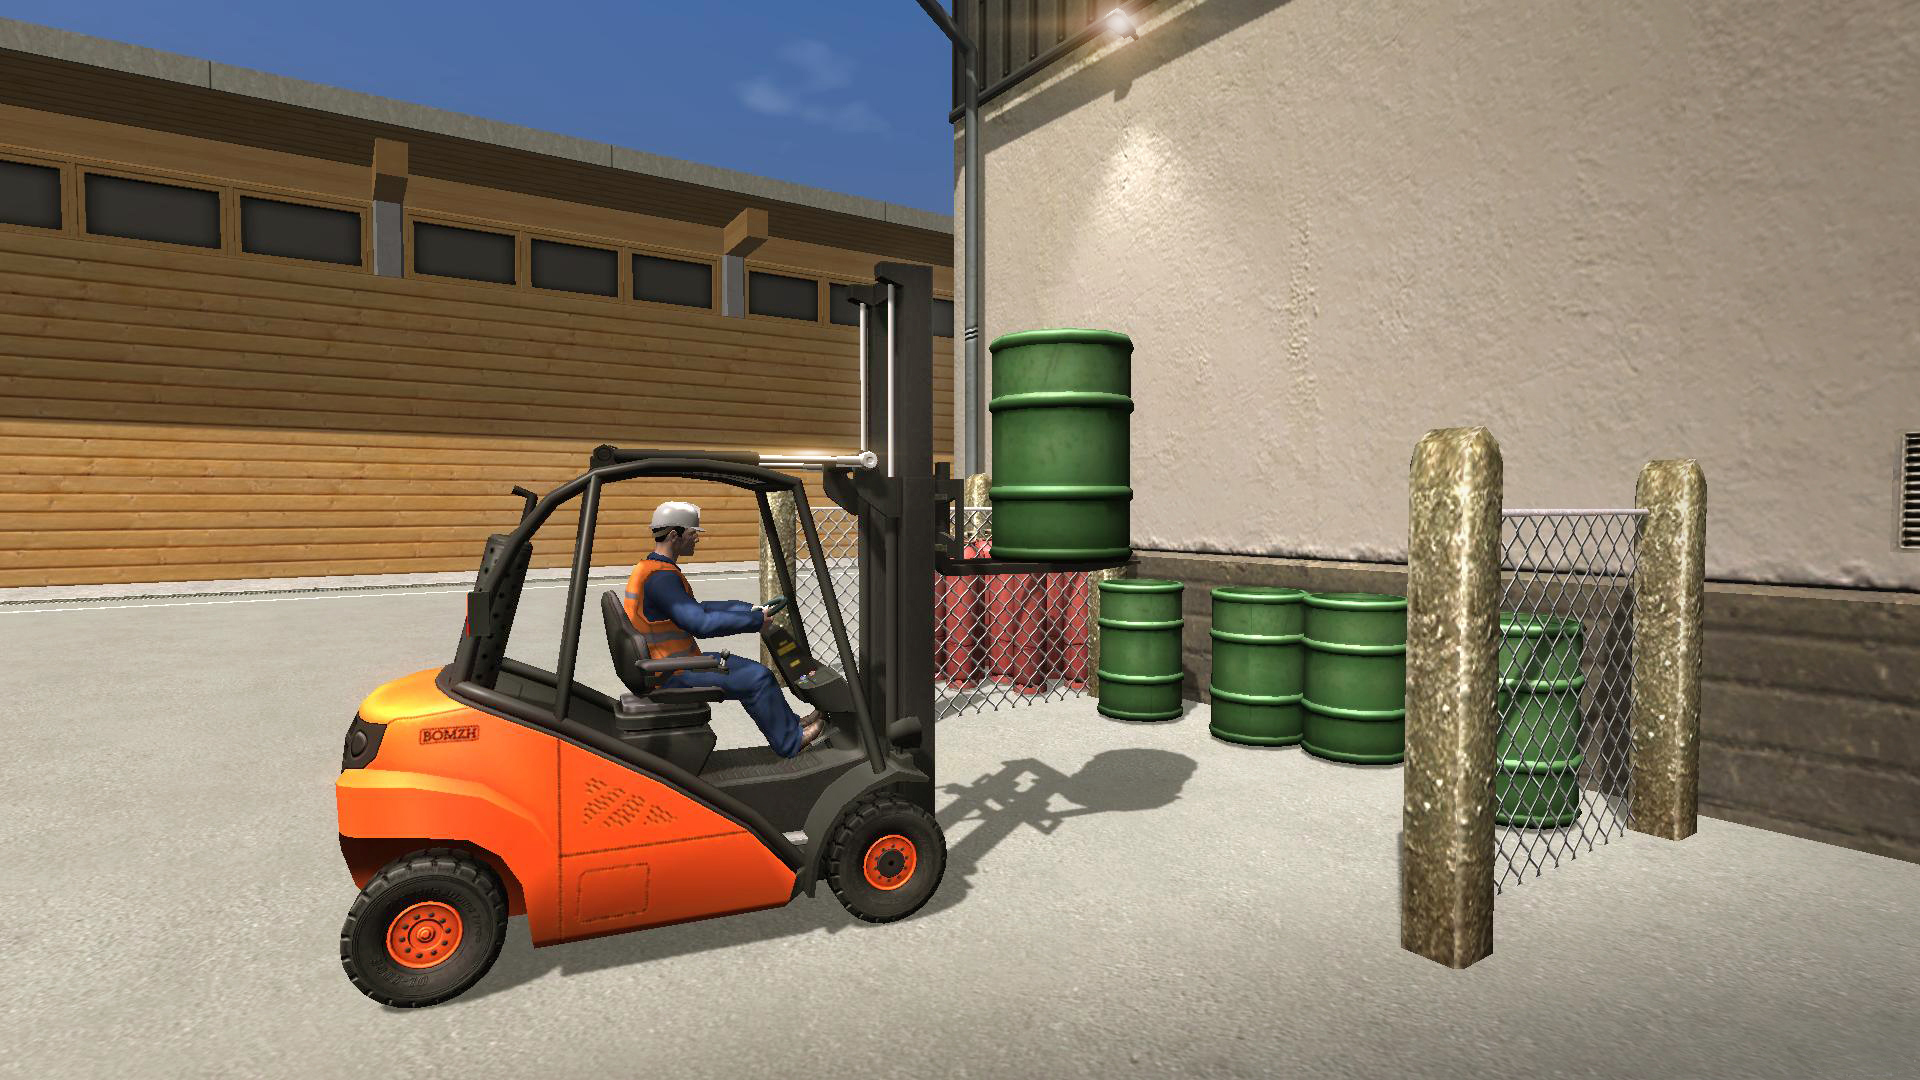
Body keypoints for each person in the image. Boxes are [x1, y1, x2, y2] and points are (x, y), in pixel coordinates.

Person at [622, 500, 827, 757]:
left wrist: (748, 609)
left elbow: (699, 608)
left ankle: (790, 724)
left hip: (669, 663)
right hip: (672, 672)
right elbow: (700, 624)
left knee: (752, 672)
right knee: (757, 678)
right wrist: (754, 622)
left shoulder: (650, 569)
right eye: (693, 533)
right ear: (674, 535)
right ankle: (791, 741)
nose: (697, 538)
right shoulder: (661, 579)